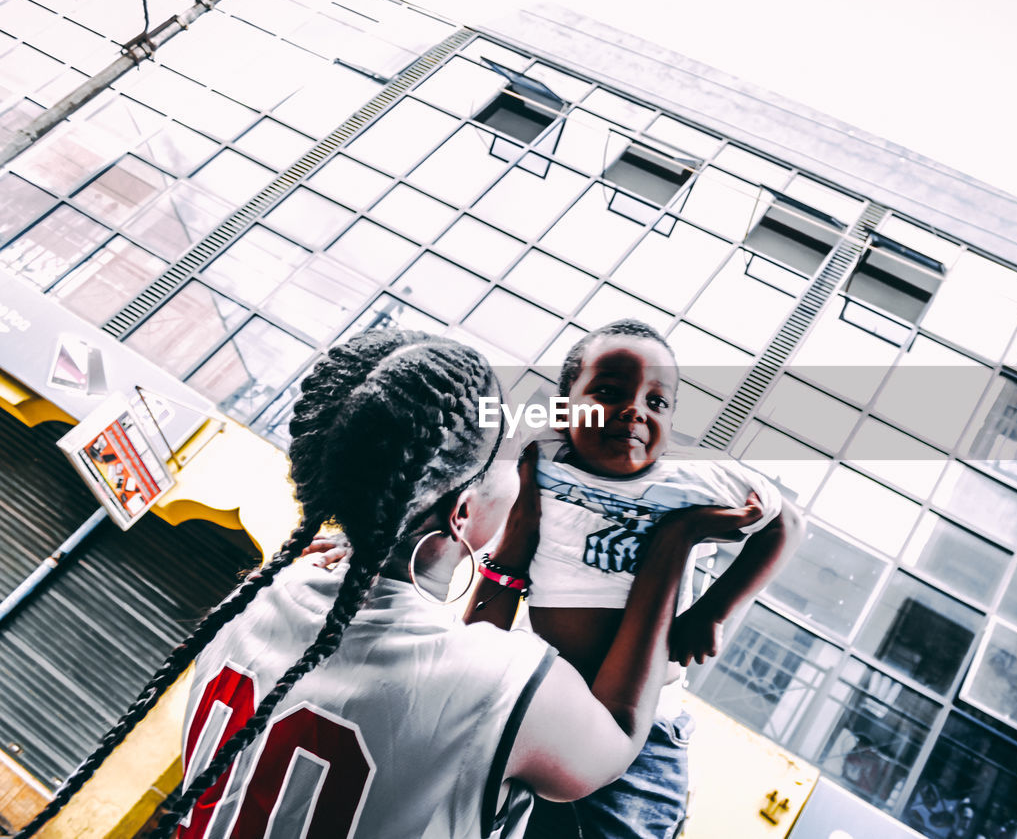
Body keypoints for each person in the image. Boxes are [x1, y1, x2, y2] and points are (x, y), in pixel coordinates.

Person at [12, 329, 761, 839]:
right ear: (465, 512)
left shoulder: (254, 600)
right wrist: (673, 546)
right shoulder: (491, 682)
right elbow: (619, 741)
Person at [467, 319, 805, 839]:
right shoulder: (539, 453)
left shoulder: (695, 479)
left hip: (647, 733)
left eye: (657, 402)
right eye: (608, 391)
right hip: (547, 703)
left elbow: (787, 523)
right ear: (563, 405)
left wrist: (712, 612)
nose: (635, 411)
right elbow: (460, 494)